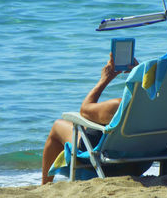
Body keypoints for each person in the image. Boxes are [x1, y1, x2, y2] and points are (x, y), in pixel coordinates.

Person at [42, 53, 137, 184]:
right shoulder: (163, 106)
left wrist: (105, 79)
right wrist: (140, 76)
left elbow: (85, 110)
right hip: (141, 157)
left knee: (58, 126)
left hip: (107, 156)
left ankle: (45, 184)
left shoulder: (118, 106)